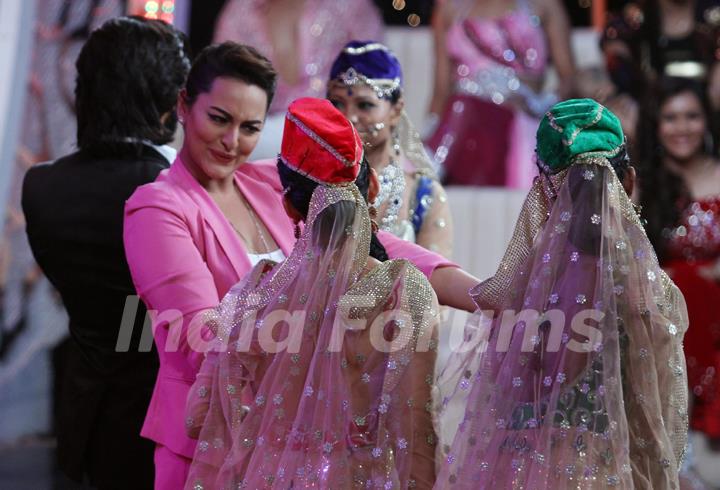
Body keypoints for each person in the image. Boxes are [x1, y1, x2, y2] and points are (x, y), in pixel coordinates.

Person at [123, 42, 472, 489]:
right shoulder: (159, 206)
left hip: (295, 452)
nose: (232, 142)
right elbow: (197, 333)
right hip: (206, 448)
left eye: (249, 127)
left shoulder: (272, 180)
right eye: (219, 119)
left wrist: (484, 295)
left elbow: (377, 242)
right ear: (184, 106)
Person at [184, 97, 438, 489]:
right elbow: (417, 432)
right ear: (370, 188)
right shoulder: (401, 292)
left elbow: (198, 417)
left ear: (288, 205)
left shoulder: (257, 293)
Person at [436, 99, 689, 488]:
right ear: (629, 182)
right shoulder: (652, 290)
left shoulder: (525, 286)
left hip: (518, 468)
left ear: (543, 189)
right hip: (610, 472)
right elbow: (658, 416)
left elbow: (508, 397)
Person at [21, 16, 190, 489]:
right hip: (170, 421)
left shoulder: (43, 187)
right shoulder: (181, 191)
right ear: (168, 105)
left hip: (87, 414)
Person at [638, 77, 720, 443]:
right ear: (656, 126)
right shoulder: (641, 182)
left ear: (707, 121)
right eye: (670, 118)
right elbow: (626, 254)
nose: (682, 127)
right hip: (659, 306)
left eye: (692, 116)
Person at [426, 0, 576, 188]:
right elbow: (441, 90)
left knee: (464, 110)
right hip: (466, 123)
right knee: (462, 107)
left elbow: (569, 80)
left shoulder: (544, 5)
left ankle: (421, 176)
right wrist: (430, 131)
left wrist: (539, 105)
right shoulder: (450, 8)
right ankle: (424, 172)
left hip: (519, 114)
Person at [327, 40, 454, 258]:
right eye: (337, 103)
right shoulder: (309, 185)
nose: (348, 117)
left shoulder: (423, 195)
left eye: (364, 105)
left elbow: (434, 286)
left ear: (396, 110)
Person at [212, 0, 384, 159]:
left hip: (334, 151)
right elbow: (222, 87)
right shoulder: (240, 10)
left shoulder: (349, 6)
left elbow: (373, 88)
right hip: (254, 151)